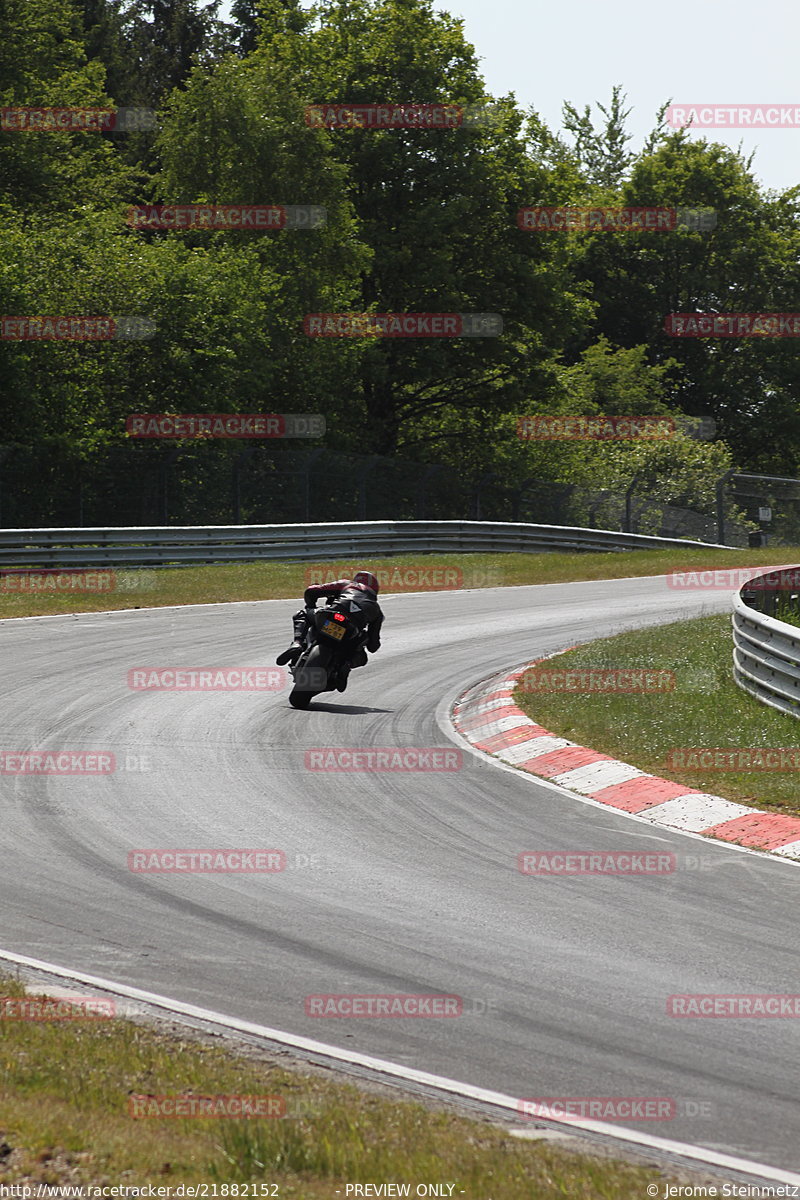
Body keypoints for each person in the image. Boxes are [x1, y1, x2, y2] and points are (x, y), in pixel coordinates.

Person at [276, 570, 384, 690]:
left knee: (302, 614)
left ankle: (297, 643)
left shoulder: (347, 584)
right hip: (351, 629)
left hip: (332, 615)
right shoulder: (377, 611)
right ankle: (345, 665)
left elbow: (311, 591)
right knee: (362, 648)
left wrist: (311, 606)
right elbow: (373, 646)